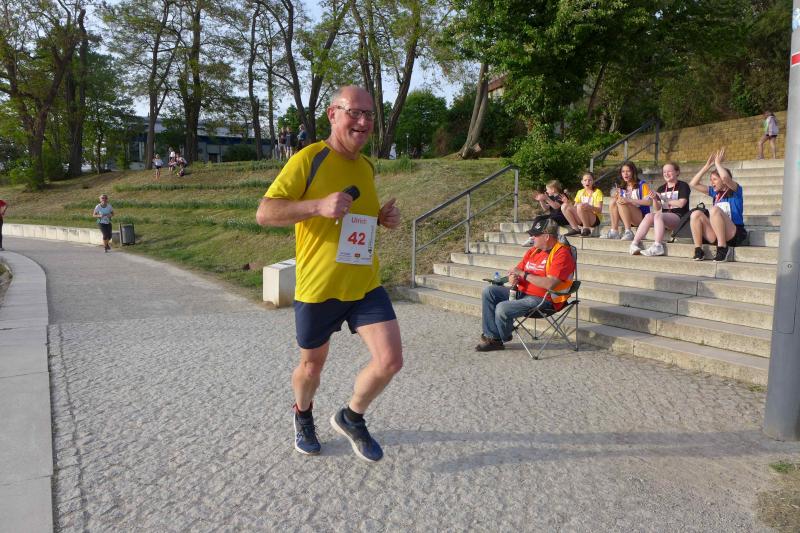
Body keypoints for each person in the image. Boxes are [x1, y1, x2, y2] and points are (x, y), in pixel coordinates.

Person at [256, 85, 402, 462]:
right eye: (355, 112)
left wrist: (381, 219)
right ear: (332, 114)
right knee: (311, 367)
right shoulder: (309, 159)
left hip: (364, 283)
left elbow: (354, 218)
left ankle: (352, 417)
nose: (363, 121)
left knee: (390, 361)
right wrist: (317, 206)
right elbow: (265, 213)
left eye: (369, 114)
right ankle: (303, 414)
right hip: (319, 287)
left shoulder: (367, 166)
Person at [476, 217, 576, 352]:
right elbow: (516, 272)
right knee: (489, 291)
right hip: (521, 293)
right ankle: (493, 337)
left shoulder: (561, 254)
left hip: (544, 300)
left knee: (502, 308)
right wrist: (513, 278)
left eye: (535, 235)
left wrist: (524, 275)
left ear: (547, 236)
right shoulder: (533, 251)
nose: (532, 237)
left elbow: (550, 284)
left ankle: (498, 338)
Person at [688, 148, 747, 262]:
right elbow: (693, 183)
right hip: (717, 233)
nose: (712, 182)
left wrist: (718, 164)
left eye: (714, 179)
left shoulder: (736, 190)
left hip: (734, 233)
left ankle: (722, 248)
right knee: (696, 214)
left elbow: (725, 177)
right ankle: (698, 250)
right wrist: (707, 166)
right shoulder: (715, 193)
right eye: (711, 180)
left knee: (714, 210)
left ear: (723, 181)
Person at [629, 162, 691, 256]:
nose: (666, 174)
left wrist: (663, 198)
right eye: (664, 172)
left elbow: (681, 204)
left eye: (669, 171)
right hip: (665, 218)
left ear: (677, 172)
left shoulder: (683, 185)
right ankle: (634, 243)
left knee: (658, 216)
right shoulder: (661, 188)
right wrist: (654, 198)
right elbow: (657, 208)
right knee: (649, 215)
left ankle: (658, 246)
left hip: (680, 217)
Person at [599, 162, 651, 240]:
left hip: (641, 218)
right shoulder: (622, 187)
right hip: (627, 217)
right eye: (623, 171)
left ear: (633, 172)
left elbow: (649, 202)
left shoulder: (642, 185)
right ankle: (614, 231)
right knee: (613, 201)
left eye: (628, 171)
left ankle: (628, 232)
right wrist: (616, 196)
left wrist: (629, 200)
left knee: (622, 202)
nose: (625, 174)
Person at [522, 180, 572, 246]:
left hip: (563, 217)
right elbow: (545, 208)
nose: (546, 191)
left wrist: (546, 198)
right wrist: (541, 200)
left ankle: (537, 237)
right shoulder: (551, 197)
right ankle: (532, 237)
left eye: (547, 189)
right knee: (538, 218)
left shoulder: (561, 196)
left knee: (548, 220)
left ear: (553, 189)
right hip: (553, 216)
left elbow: (556, 206)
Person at [561, 172, 603, 237]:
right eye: (585, 180)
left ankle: (586, 229)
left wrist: (590, 207)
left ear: (593, 181)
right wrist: (568, 203)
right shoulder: (580, 192)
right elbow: (575, 207)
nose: (587, 182)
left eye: (590, 180)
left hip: (594, 219)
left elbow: (599, 210)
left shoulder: (597, 192)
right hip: (582, 217)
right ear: (582, 182)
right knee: (564, 206)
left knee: (580, 206)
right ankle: (575, 229)